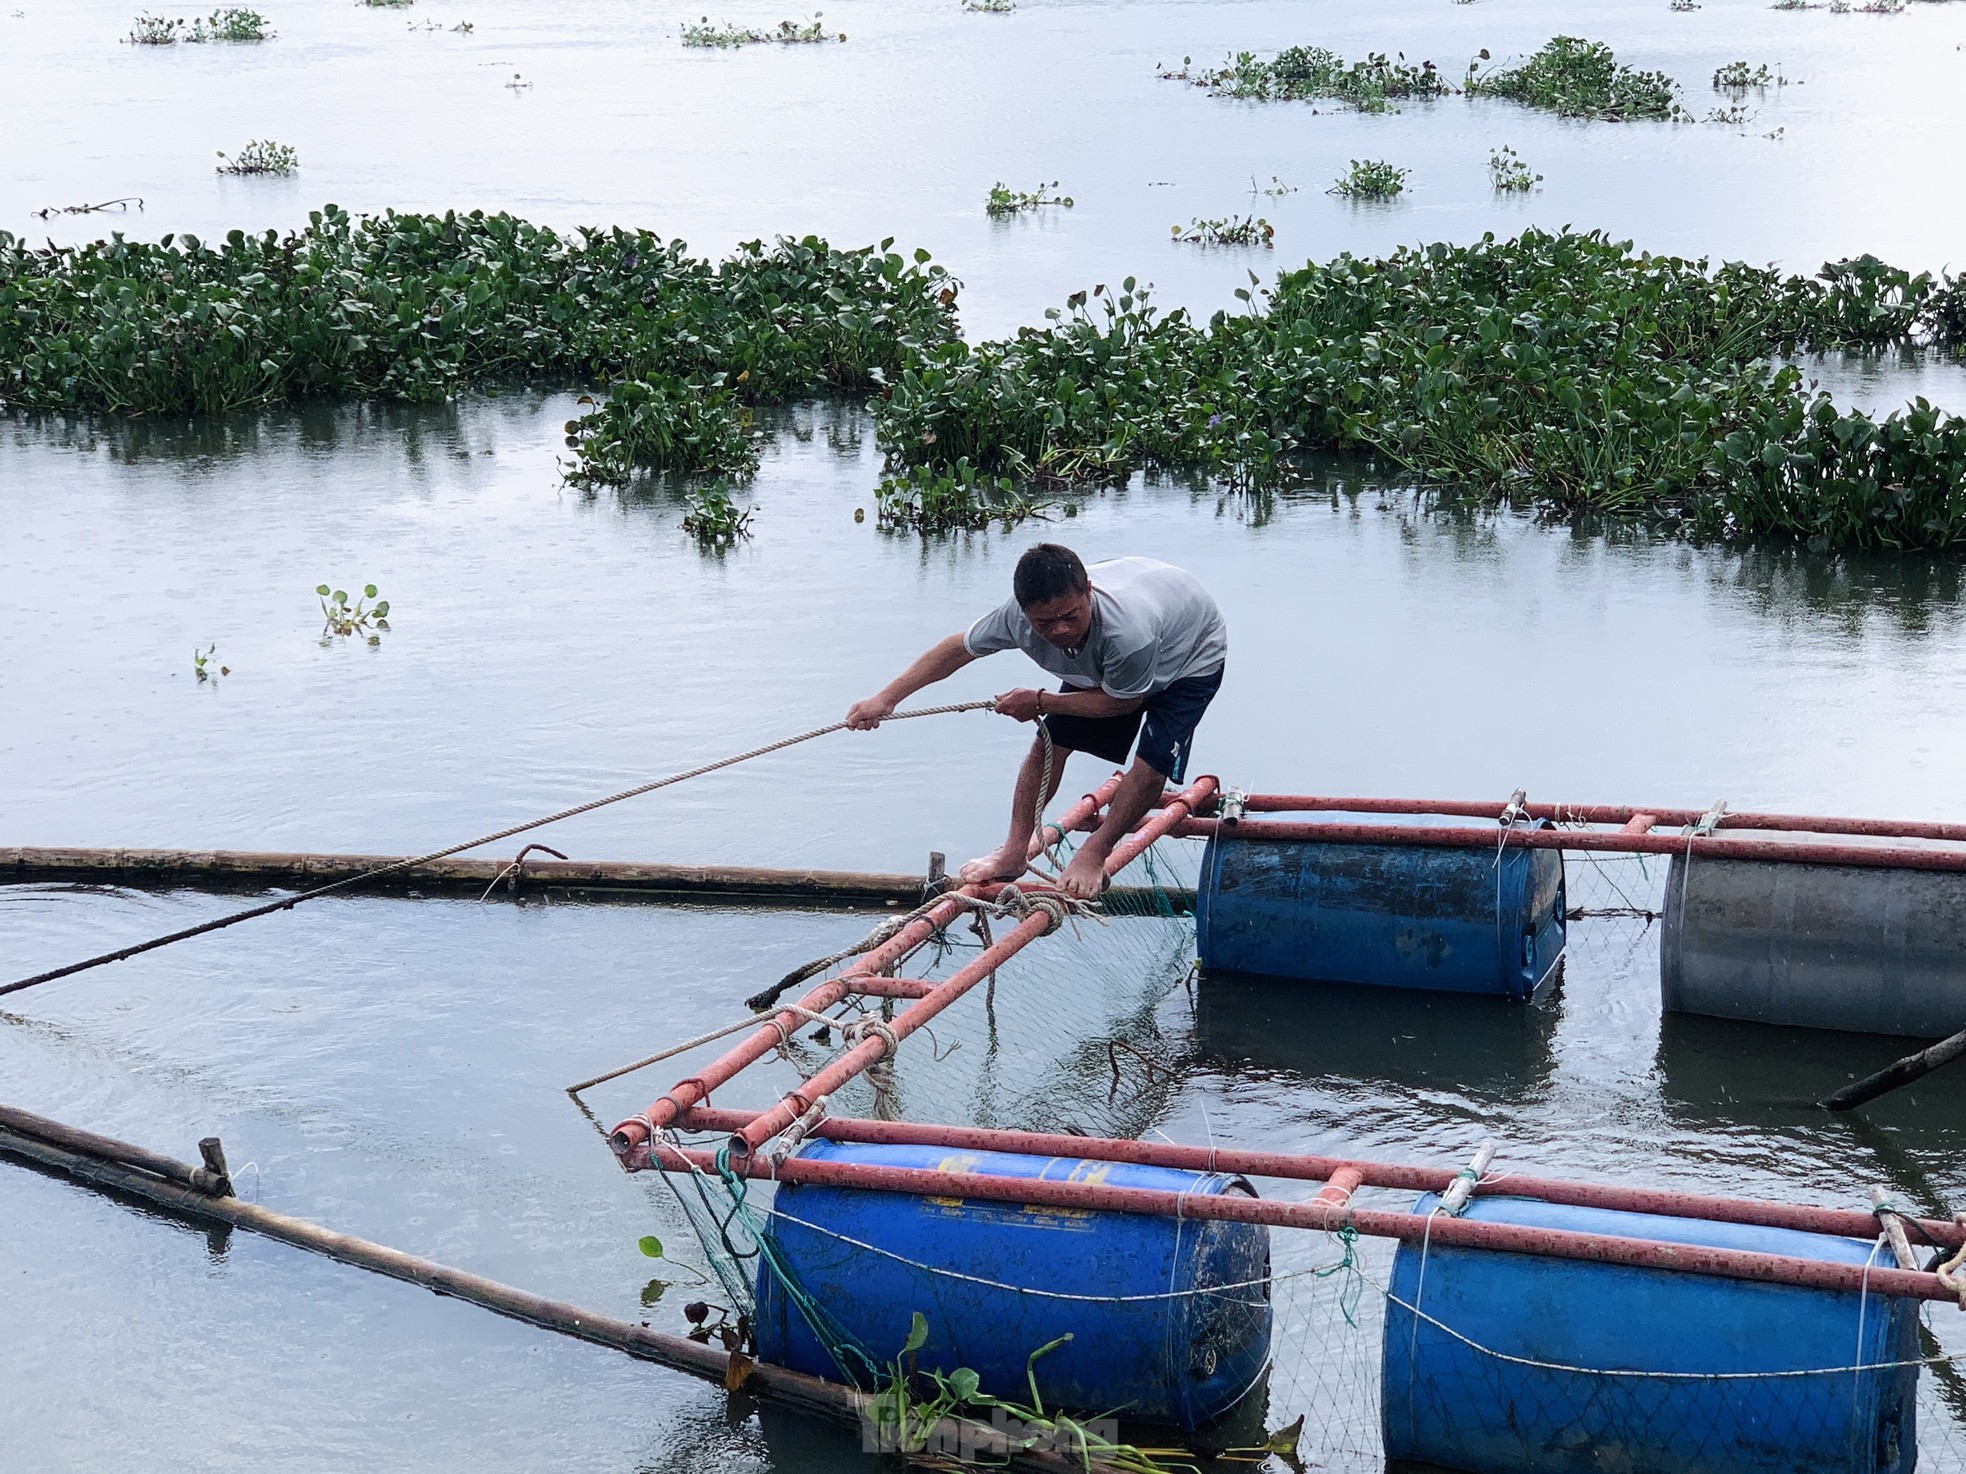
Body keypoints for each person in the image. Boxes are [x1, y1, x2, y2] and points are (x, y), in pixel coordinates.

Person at [845, 544, 1227, 900]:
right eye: (1045, 623)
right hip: (1114, 655)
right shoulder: (1015, 618)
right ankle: (1014, 852)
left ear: (1088, 592)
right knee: (1050, 744)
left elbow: (1123, 704)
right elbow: (957, 650)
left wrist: (1042, 701)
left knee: (1151, 761)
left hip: (1189, 656)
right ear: (1025, 612)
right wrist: (885, 699)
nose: (1059, 630)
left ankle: (1094, 853)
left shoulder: (1129, 633)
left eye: (1070, 616)